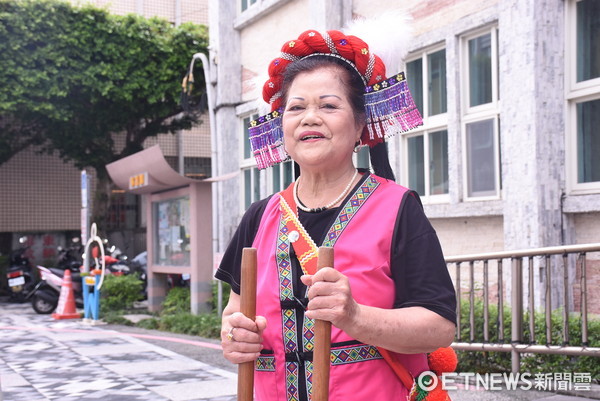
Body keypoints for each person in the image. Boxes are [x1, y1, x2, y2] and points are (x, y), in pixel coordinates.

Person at [215, 26, 456, 401]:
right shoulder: (259, 216)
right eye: (296, 108)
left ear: (361, 124)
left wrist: (356, 317)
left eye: (328, 105)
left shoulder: (397, 207)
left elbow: (439, 327)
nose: (309, 118)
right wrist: (234, 337)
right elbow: (234, 311)